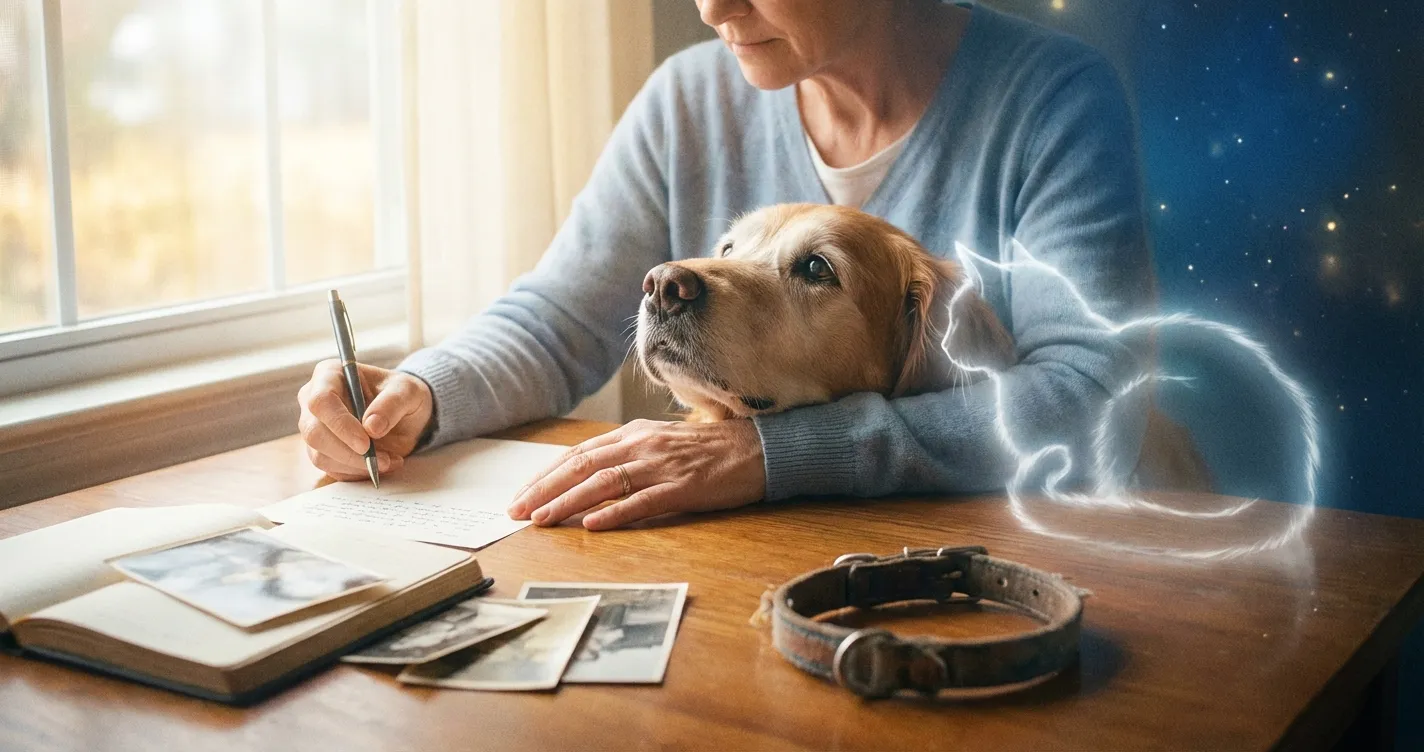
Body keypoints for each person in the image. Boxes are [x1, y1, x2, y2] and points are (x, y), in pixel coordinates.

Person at [296, 0, 1155, 531]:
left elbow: (1092, 395)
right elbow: (564, 316)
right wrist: (421, 391)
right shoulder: (686, 99)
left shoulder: (1051, 98)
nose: (712, 7)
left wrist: (768, 457)